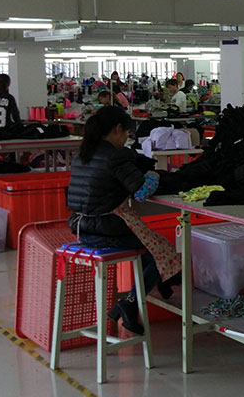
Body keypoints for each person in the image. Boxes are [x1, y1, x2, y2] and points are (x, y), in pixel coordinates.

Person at [66, 106, 178, 334]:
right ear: (117, 129)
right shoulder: (115, 156)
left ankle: (157, 286)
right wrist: (154, 175)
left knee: (148, 253)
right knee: (163, 251)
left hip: (80, 227)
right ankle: (130, 303)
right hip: (106, 229)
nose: (126, 138)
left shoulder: (83, 153)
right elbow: (141, 191)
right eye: (127, 133)